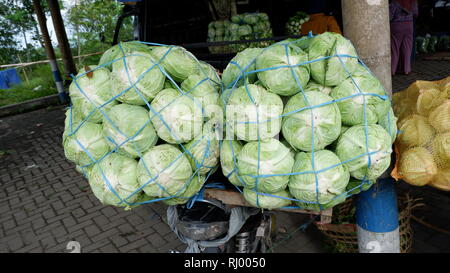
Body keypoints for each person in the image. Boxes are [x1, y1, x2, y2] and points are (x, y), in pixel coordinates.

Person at [390, 0, 419, 75]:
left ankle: (392, 70)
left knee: (395, 49)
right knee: (407, 49)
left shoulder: (395, 2)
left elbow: (390, 16)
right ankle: (407, 70)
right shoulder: (413, 1)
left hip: (396, 26)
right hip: (409, 25)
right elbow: (416, 13)